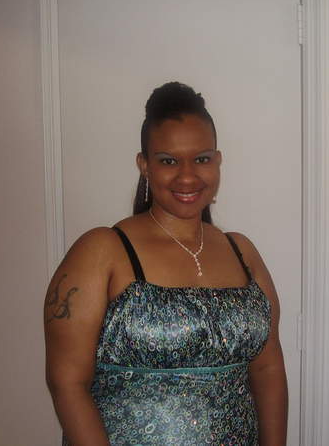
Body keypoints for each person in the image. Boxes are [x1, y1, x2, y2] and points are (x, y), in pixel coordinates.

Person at [44, 82, 288, 445]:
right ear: (144, 165)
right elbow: (67, 383)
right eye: (168, 161)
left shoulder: (242, 252)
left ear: (218, 161)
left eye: (202, 159)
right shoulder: (102, 250)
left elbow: (268, 368)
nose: (187, 176)